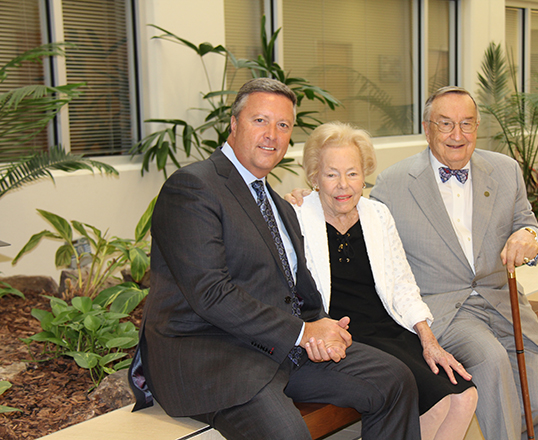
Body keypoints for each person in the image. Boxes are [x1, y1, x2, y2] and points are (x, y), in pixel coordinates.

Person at [128, 78, 422, 440]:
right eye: (260, 121)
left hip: (279, 348)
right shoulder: (193, 188)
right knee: (288, 434)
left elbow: (297, 288)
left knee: (393, 380)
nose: (272, 134)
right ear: (234, 124)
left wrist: (324, 328)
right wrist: (302, 332)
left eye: (283, 125)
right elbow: (211, 295)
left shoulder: (279, 204)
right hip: (214, 356)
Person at [369, 86, 538, 440]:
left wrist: (530, 239)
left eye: (467, 124)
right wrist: (309, 202)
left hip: (503, 303)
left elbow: (528, 223)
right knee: (491, 362)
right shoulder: (393, 183)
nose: (457, 135)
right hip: (445, 311)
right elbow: (360, 227)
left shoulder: (505, 170)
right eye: (445, 125)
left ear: (477, 128)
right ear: (427, 129)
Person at [293, 122, 478, 440]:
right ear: (314, 177)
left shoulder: (377, 214)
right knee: (435, 404)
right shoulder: (296, 216)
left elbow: (402, 283)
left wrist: (428, 339)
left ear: (364, 174)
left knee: (465, 397)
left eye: (352, 173)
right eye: (331, 174)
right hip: (346, 336)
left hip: (388, 328)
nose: (343, 186)